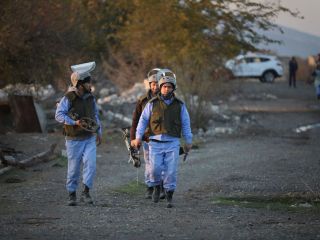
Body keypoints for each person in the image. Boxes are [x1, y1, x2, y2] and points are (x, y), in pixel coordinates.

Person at [132, 69, 192, 208]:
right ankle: (157, 187)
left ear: (173, 88)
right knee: (154, 169)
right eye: (164, 86)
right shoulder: (151, 104)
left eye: (169, 87)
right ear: (160, 87)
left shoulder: (180, 105)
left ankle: (169, 194)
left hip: (172, 142)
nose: (166, 89)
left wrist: (188, 141)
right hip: (155, 142)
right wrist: (137, 138)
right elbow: (142, 121)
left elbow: (186, 124)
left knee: (171, 171)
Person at [55, 61, 102, 206]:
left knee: (91, 165)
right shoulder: (68, 98)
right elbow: (59, 115)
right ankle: (72, 194)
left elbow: (95, 115)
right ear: (80, 84)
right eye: (88, 82)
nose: (90, 85)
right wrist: (73, 122)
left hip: (89, 138)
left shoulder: (90, 97)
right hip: (73, 139)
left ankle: (86, 192)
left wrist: (99, 131)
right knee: (74, 168)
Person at [130, 68, 166, 200]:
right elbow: (136, 120)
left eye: (158, 83)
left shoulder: (165, 99)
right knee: (150, 163)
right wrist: (133, 138)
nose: (156, 86)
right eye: (153, 84)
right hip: (146, 137)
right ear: (150, 85)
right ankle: (150, 187)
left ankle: (161, 187)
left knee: (161, 164)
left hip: (161, 137)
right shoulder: (142, 100)